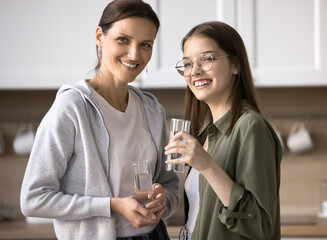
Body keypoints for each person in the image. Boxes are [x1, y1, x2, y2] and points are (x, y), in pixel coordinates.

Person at [20, 1, 180, 239]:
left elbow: (170, 184)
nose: (134, 54)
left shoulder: (151, 109)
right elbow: (33, 199)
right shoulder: (72, 107)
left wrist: (164, 199)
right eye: (123, 40)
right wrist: (112, 205)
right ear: (99, 36)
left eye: (145, 44)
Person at [165, 21, 282, 240]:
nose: (195, 71)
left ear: (235, 64)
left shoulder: (251, 127)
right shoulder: (206, 133)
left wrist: (207, 165)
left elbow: (260, 225)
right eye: (188, 64)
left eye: (207, 59)